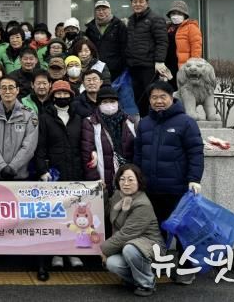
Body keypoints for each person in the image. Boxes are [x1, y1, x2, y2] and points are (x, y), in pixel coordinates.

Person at [134, 81, 204, 285]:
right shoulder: (144, 123)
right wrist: (137, 180)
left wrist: (194, 179)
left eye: (162, 97)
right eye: (154, 97)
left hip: (178, 189)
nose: (158, 101)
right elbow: (138, 154)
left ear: (171, 97)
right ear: (149, 100)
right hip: (151, 189)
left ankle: (186, 268)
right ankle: (158, 265)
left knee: (183, 231)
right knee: (155, 231)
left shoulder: (186, 122)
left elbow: (195, 153)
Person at [0, 75, 45, 282]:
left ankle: (34, 258)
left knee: (27, 220)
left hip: (21, 175)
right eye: (4, 88)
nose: (8, 91)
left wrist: (14, 166)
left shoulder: (29, 114)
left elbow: (30, 144)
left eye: (11, 87)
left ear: (18, 90)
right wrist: (1, 167)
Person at [35, 80, 84, 269]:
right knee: (56, 214)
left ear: (71, 96)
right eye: (58, 94)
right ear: (52, 96)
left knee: (75, 213)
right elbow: (40, 146)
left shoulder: (78, 117)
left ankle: (73, 251)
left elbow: (84, 144)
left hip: (75, 171)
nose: (62, 97)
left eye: (65, 94)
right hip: (54, 172)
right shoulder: (45, 118)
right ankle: (57, 252)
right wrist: (42, 170)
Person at [101, 164, 165, 297]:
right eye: (122, 179)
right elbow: (106, 212)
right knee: (112, 263)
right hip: (129, 244)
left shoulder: (142, 204)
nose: (126, 183)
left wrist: (104, 249)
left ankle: (147, 283)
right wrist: (103, 192)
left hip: (150, 246)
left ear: (139, 181)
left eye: (131, 179)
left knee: (130, 249)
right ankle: (138, 279)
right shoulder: (118, 195)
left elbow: (126, 234)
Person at [81, 85, 136, 190]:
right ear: (99, 104)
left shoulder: (129, 121)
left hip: (127, 177)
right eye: (105, 102)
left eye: (112, 101)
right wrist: (95, 181)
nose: (109, 105)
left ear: (117, 102)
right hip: (103, 179)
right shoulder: (90, 122)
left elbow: (135, 151)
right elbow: (87, 154)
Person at [125, 0, 169, 117]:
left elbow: (162, 41)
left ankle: (156, 121)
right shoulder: (130, 20)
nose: (137, 4)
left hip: (149, 67)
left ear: (147, 3)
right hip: (134, 66)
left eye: (141, 1)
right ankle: (145, 122)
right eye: (135, 2)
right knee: (139, 99)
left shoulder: (156, 19)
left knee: (153, 97)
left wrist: (159, 61)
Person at [85, 0, 127, 82]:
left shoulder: (119, 25)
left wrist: (122, 65)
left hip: (116, 69)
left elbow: (124, 47)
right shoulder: (90, 28)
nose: (101, 12)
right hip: (96, 68)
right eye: (98, 10)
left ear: (109, 10)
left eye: (104, 9)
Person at [165, 0, 203, 88]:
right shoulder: (167, 28)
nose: (175, 16)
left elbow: (196, 48)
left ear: (184, 15)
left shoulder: (191, 27)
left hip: (182, 66)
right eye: (173, 13)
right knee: (168, 91)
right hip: (167, 66)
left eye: (179, 13)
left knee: (182, 91)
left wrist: (193, 67)